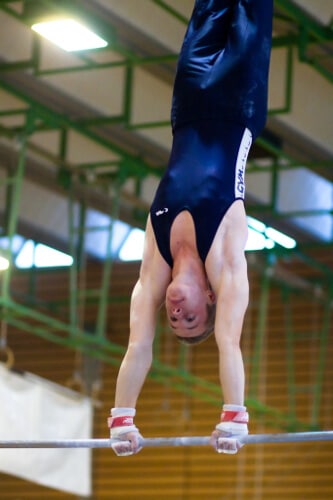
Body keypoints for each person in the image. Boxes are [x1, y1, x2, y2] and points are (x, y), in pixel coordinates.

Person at [108, 0, 273, 456]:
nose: (176, 312)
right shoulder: (223, 262)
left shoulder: (155, 265)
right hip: (239, 101)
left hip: (188, 103)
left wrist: (123, 420)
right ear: (211, 299)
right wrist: (233, 414)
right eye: (190, 318)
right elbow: (229, 342)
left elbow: (139, 345)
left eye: (173, 320)